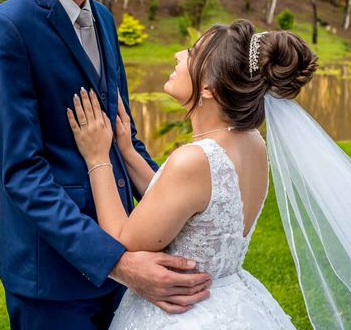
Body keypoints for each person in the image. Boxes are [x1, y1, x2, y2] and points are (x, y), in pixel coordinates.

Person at [0, 0, 210, 329]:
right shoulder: (6, 29)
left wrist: (178, 210)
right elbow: (22, 173)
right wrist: (117, 261)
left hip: (123, 254)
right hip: (53, 280)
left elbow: (126, 137)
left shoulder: (101, 17)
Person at [67, 19, 318, 328]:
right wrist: (128, 151)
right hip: (231, 299)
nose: (178, 55)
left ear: (209, 88)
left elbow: (122, 240)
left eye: (192, 53)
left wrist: (97, 157)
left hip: (187, 314)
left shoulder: (195, 159)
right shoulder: (252, 142)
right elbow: (182, 204)